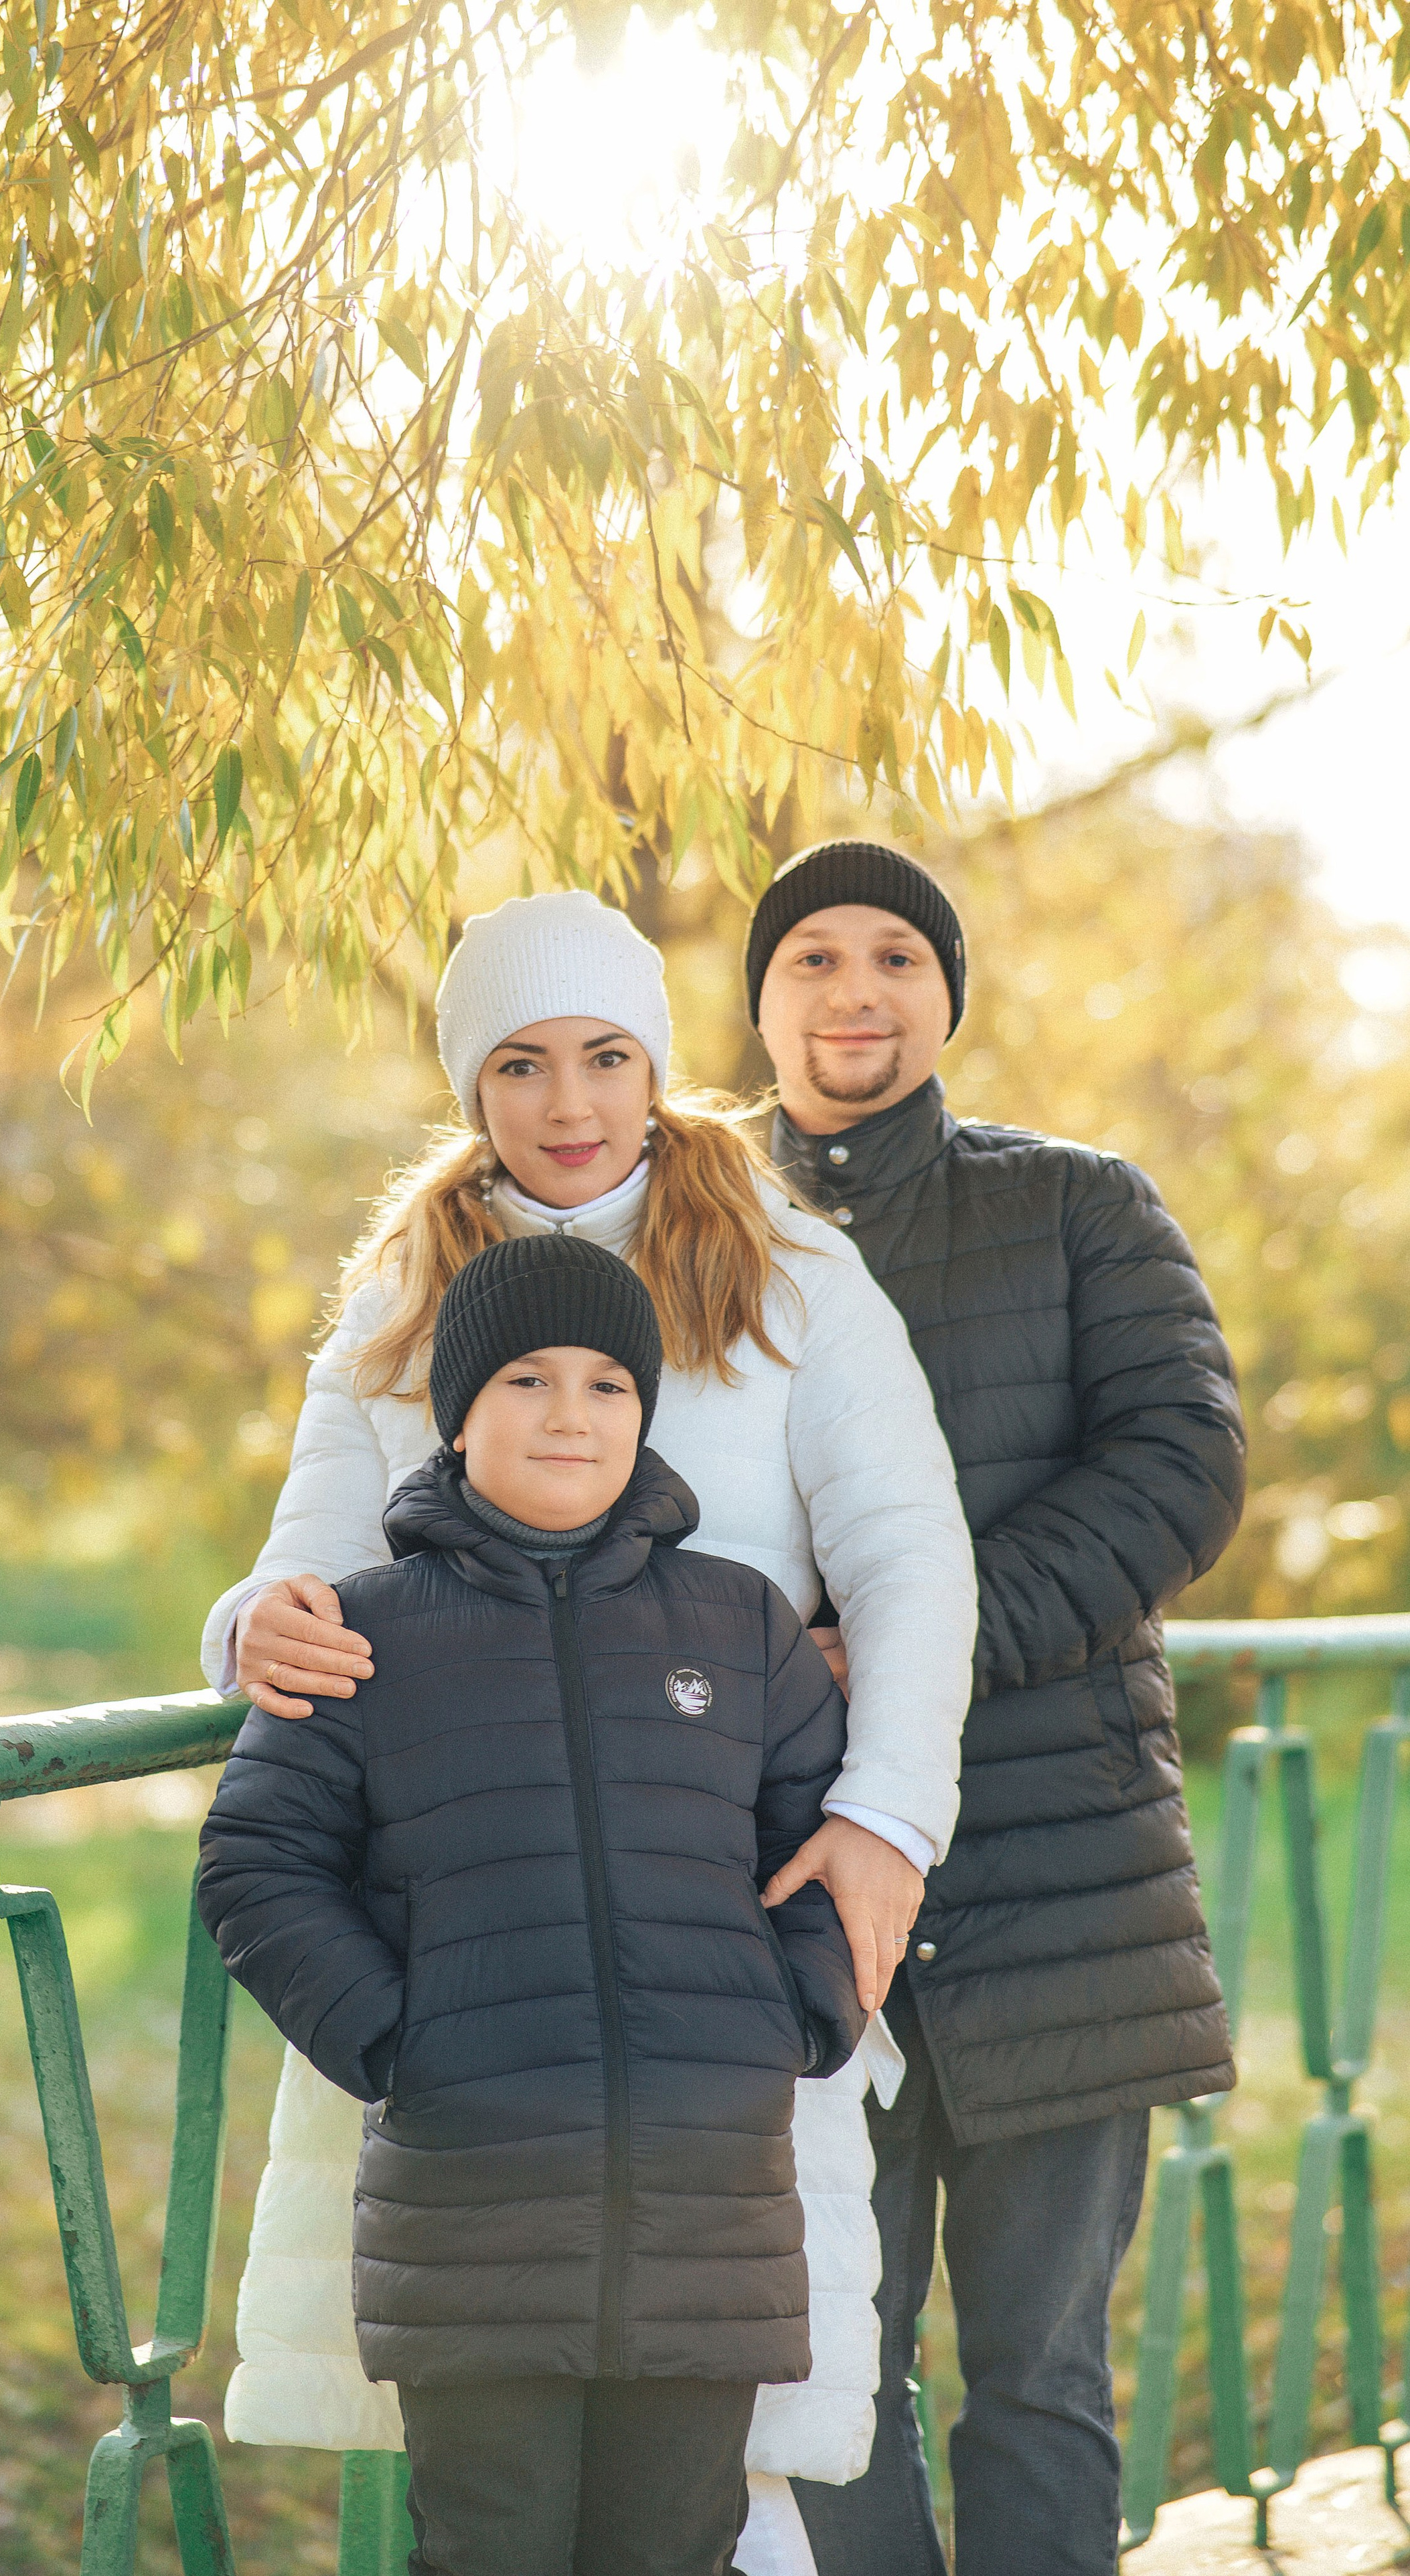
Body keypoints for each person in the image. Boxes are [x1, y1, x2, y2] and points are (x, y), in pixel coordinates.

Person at [200, 888, 979, 2555]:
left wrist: (883, 1821)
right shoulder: (409, 1280)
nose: (569, 1107)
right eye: (523, 1065)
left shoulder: (788, 1267)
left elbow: (912, 1555)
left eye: (606, 1058)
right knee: (495, 2466)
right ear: (472, 1087)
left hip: (725, 1904)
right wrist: (246, 1630)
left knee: (730, 2436)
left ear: (656, 1066)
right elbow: (309, 1574)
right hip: (480, 1948)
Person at [198, 1235, 872, 2576]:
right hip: (476, 2213)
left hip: (705, 2216)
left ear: (643, 1411)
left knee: (673, 2549)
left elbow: (824, 1843)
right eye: (526, 1379)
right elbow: (254, 1861)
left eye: (606, 1384)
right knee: (488, 2551)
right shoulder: (362, 1632)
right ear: (457, 1412)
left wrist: (789, 2017)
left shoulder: (737, 1629)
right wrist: (403, 2038)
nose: (570, 1413)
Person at [741, 839, 1246, 2576]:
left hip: (1061, 1883)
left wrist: (908, 1645)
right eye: (813, 957)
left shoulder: (1080, 1206)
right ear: (761, 999)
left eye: (896, 955)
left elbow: (1184, 1471)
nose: (855, 991)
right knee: (827, 2387)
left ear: (948, 993)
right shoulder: (692, 1223)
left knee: (1038, 2376)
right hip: (799, 1896)